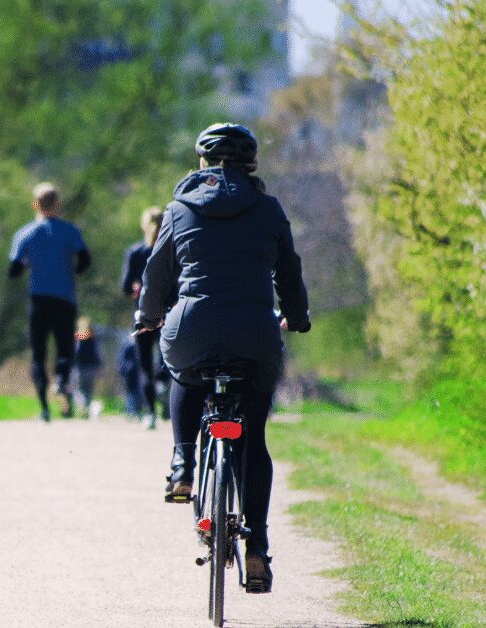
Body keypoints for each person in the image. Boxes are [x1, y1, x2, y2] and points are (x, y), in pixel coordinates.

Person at [135, 123, 310, 593]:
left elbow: (156, 274)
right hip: (255, 335)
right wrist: (297, 316)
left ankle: (182, 464)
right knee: (254, 439)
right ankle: (257, 548)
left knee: (184, 373)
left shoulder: (178, 208)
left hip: (192, 329)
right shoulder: (268, 209)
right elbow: (289, 274)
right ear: (251, 165)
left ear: (202, 163)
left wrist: (147, 316)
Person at [8, 182, 91, 421]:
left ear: (35, 204)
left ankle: (44, 408)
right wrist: (68, 270)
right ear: (58, 204)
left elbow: (13, 271)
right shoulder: (70, 231)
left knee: (38, 354)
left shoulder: (25, 234)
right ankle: (62, 379)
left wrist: (28, 263)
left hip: (38, 301)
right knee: (65, 348)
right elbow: (85, 261)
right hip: (65, 298)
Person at [120, 207, 166, 430]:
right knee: (169, 361)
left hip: (143, 316)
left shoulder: (136, 252)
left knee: (145, 367)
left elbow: (125, 287)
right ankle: (164, 388)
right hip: (169, 314)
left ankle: (150, 413)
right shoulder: (171, 250)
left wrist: (136, 290)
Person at [71, 317, 102, 418]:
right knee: (88, 390)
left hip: (80, 368)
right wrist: (98, 366)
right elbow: (97, 354)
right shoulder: (93, 338)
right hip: (91, 368)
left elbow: (74, 353)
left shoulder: (77, 337)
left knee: (78, 390)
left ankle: (84, 407)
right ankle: (87, 410)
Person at [117, 341, 143, 420]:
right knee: (130, 394)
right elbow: (121, 364)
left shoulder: (135, 347)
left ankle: (135, 412)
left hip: (137, 376)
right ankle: (130, 411)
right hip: (128, 377)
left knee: (135, 394)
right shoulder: (127, 347)